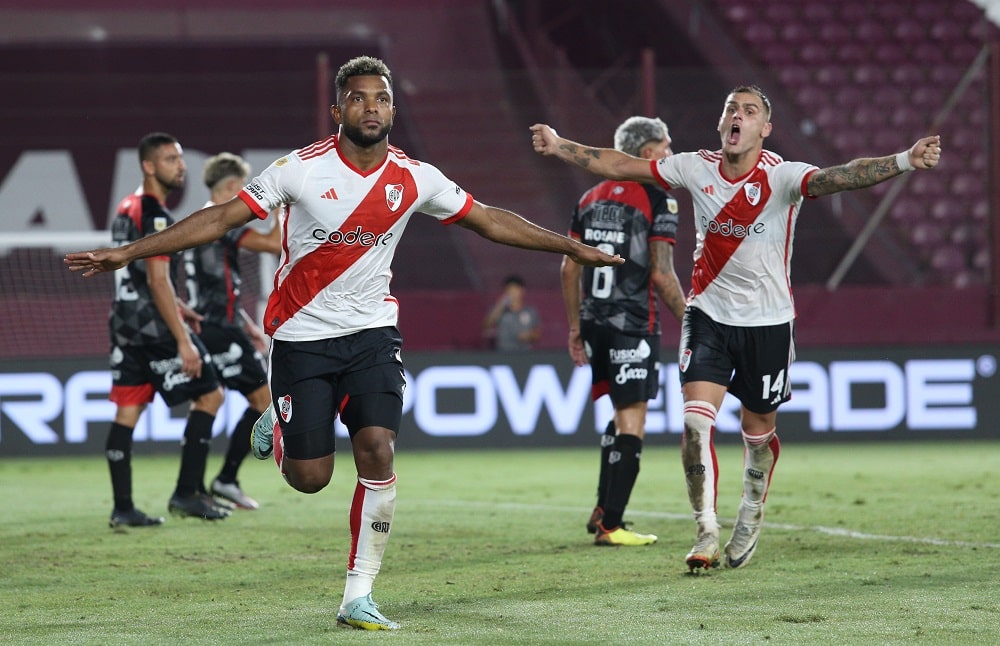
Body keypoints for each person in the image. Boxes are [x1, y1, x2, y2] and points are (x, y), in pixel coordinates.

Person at [66, 55, 622, 630]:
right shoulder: (299, 170)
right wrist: (130, 252)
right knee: (310, 479)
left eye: (381, 98)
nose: (370, 107)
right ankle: (282, 427)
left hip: (372, 334)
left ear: (393, 110)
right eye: (357, 98)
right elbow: (221, 218)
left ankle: (358, 594)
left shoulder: (415, 177)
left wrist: (569, 246)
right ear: (338, 110)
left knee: (378, 450)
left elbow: (487, 219)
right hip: (302, 337)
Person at [531, 85, 941, 571]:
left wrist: (905, 160)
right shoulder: (695, 167)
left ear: (765, 128)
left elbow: (843, 176)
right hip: (707, 316)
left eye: (749, 111)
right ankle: (705, 529)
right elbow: (619, 164)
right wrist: (560, 145)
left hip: (768, 324)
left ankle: (750, 511)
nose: (737, 116)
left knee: (757, 434)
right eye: (731, 108)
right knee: (694, 424)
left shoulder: (783, 176)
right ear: (721, 122)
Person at [561, 116, 687, 547]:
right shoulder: (658, 198)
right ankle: (611, 526)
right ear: (648, 153)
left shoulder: (589, 197)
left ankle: (602, 508)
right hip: (632, 323)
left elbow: (568, 268)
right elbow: (662, 274)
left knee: (618, 414)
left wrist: (575, 326)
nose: (670, 155)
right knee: (633, 418)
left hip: (594, 321)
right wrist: (693, 321)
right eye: (666, 147)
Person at [102, 132, 231, 528]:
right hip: (155, 330)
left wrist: (180, 307)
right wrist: (182, 339)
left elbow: (141, 278)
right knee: (210, 394)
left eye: (181, 158)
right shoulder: (155, 214)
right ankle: (187, 493)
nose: (181, 166)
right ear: (148, 165)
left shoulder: (126, 206)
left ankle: (123, 508)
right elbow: (158, 280)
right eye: (171, 159)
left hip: (125, 326)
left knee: (128, 411)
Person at [184, 152, 281, 510]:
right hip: (219, 329)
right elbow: (274, 243)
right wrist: (282, 205)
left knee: (208, 402)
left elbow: (215, 286)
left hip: (211, 325)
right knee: (264, 402)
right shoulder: (223, 220)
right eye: (242, 187)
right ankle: (225, 480)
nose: (246, 194)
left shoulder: (202, 221)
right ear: (230, 186)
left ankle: (191, 489)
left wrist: (246, 323)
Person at [482, 274, 541, 351]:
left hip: (525, 353)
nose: (513, 293)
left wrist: (529, 335)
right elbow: (486, 325)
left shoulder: (530, 311)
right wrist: (500, 305)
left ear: (522, 290)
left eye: (516, 289)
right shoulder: (499, 309)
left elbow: (537, 334)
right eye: (509, 290)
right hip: (503, 352)